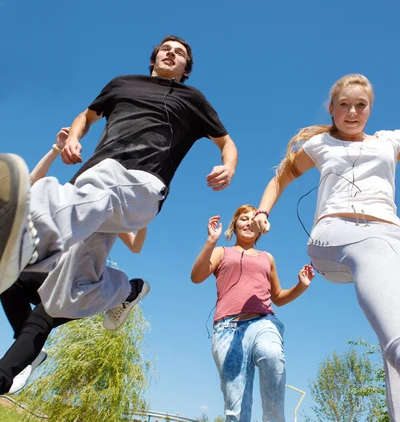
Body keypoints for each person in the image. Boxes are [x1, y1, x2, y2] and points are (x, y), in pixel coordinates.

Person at [0, 36, 237, 327]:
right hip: (93, 190)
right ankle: (127, 291)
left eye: (179, 54)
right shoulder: (121, 83)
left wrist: (228, 166)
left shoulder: (193, 99)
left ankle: (26, 237)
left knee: (105, 177)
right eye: (166, 49)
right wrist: (74, 137)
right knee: (65, 294)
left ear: (185, 69)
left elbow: (227, 143)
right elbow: (86, 117)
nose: (171, 54)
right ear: (154, 58)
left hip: (142, 185)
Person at [253, 73, 400, 422]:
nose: (352, 112)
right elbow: (280, 178)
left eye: (361, 105)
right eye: (344, 105)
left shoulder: (389, 141)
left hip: (389, 237)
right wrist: (263, 213)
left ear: (370, 109)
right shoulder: (319, 144)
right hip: (334, 235)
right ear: (332, 109)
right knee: (372, 248)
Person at [0, 129, 149, 396]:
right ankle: (28, 351)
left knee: (44, 314)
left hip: (78, 284)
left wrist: (143, 218)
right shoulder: (75, 192)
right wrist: (56, 150)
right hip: (49, 270)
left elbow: (137, 246)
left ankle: (6, 372)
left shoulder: (116, 207)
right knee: (11, 281)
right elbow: (32, 184)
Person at [191, 205, 314, 422]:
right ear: (234, 226)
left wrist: (300, 285)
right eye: (241, 219)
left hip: (262, 323)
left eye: (252, 219)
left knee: (273, 355)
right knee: (236, 418)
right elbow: (196, 277)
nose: (247, 222)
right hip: (227, 331)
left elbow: (277, 297)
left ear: (260, 229)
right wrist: (210, 240)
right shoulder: (221, 252)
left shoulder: (267, 258)